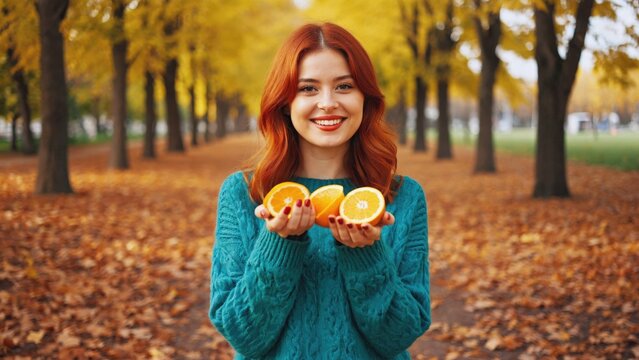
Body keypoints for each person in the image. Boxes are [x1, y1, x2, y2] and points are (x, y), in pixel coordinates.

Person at [209, 22, 431, 359]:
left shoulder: (402, 197)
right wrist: (278, 245)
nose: (327, 103)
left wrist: (366, 255)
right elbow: (243, 335)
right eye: (308, 89)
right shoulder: (244, 194)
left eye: (344, 86)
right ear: (284, 102)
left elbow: (399, 336)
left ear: (364, 97)